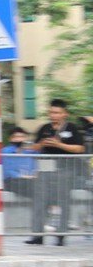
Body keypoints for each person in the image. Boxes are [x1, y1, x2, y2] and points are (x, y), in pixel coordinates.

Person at [28, 98, 88, 245]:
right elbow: (32, 148)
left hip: (64, 169)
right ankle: (37, 235)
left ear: (64, 114)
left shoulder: (71, 128)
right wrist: (42, 143)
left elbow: (80, 149)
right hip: (45, 167)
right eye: (51, 112)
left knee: (63, 202)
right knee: (39, 201)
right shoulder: (45, 128)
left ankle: (61, 236)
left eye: (57, 112)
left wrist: (59, 145)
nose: (53, 115)